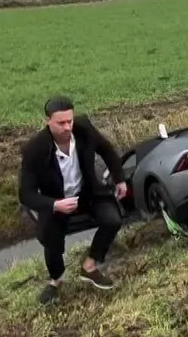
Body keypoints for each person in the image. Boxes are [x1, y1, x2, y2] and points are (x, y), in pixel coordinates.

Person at [18, 96, 130, 305]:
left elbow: (106, 149)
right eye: (61, 123)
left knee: (112, 220)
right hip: (56, 201)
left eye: (70, 121)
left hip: (87, 193)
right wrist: (54, 205)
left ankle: (89, 266)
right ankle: (56, 280)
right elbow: (26, 194)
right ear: (47, 121)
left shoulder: (83, 128)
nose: (67, 127)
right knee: (50, 240)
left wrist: (120, 179)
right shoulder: (34, 149)